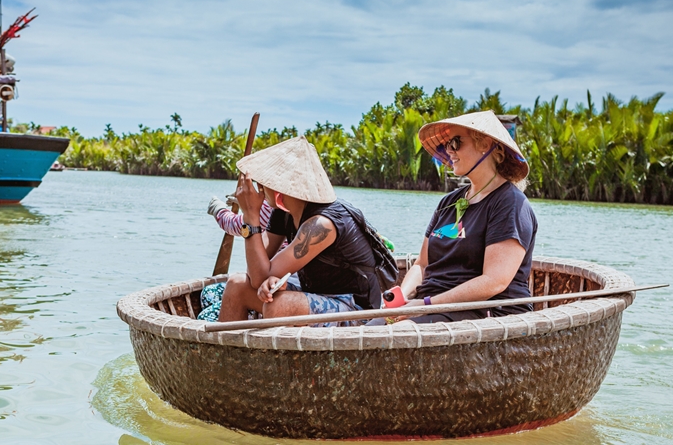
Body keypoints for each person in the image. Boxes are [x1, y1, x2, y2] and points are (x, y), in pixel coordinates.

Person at [375, 110, 537, 324]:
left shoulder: (510, 203)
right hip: (431, 306)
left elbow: (493, 282)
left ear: (485, 144)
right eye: (446, 144)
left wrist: (427, 305)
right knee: (369, 328)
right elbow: (422, 264)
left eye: (456, 142)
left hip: (485, 313)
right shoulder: (448, 202)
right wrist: (403, 298)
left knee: (393, 334)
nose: (449, 151)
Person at [217, 136, 386, 324]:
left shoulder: (322, 224)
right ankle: (226, 352)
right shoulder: (283, 212)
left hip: (355, 309)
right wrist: (270, 280)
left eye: (263, 183)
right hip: (314, 293)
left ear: (281, 188)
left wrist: (250, 216)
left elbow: (259, 276)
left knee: (277, 306)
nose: (260, 189)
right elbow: (257, 274)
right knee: (236, 285)